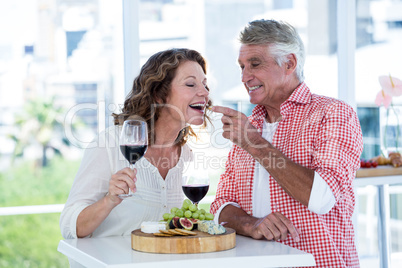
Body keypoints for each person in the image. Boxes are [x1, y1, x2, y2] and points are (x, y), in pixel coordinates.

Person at [210, 19, 363, 268]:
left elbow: (322, 198)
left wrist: (254, 143)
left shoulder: (333, 113)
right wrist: (250, 223)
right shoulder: (250, 125)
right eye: (242, 67)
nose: (245, 77)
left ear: (289, 63)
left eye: (255, 64)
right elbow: (220, 206)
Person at [60, 48, 212, 239]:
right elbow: (69, 227)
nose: (204, 93)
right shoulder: (110, 144)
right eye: (190, 84)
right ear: (159, 94)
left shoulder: (186, 155)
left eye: (205, 85)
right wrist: (109, 200)